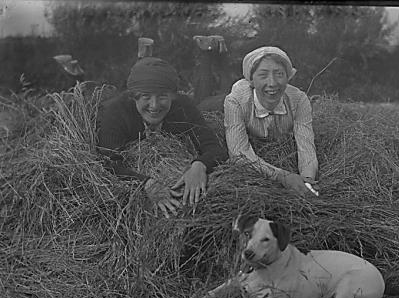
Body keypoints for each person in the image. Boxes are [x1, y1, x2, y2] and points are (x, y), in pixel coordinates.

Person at [96, 57, 228, 218]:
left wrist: (200, 165)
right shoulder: (117, 112)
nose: (154, 105)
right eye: (146, 96)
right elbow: (108, 162)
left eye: (162, 96)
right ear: (133, 96)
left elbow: (214, 148)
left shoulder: (183, 107)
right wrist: (146, 183)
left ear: (173, 96)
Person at [224, 46, 318, 195]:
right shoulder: (235, 101)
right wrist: (282, 176)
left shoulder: (299, 100)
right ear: (251, 80)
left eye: (279, 74)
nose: (273, 83)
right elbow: (238, 153)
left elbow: (306, 145)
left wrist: (306, 180)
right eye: (263, 75)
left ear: (288, 77)